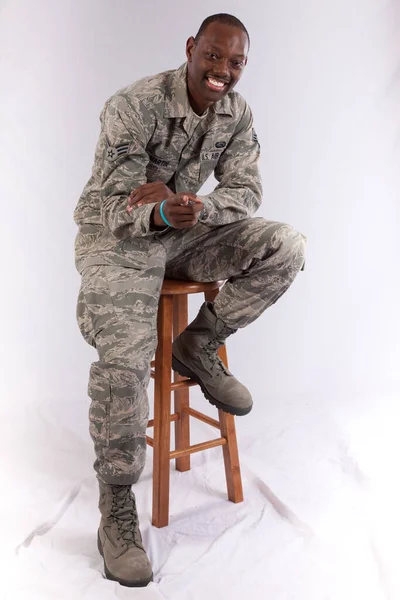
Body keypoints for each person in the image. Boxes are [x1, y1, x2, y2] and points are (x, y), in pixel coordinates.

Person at [74, 13, 307, 587]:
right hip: (119, 244)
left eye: (236, 62)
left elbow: (246, 188)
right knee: (125, 365)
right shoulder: (133, 105)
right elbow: (108, 204)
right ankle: (117, 508)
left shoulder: (237, 112)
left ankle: (198, 343)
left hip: (183, 231)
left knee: (284, 245)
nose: (223, 70)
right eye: (213, 56)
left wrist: (194, 208)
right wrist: (153, 211)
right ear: (191, 49)